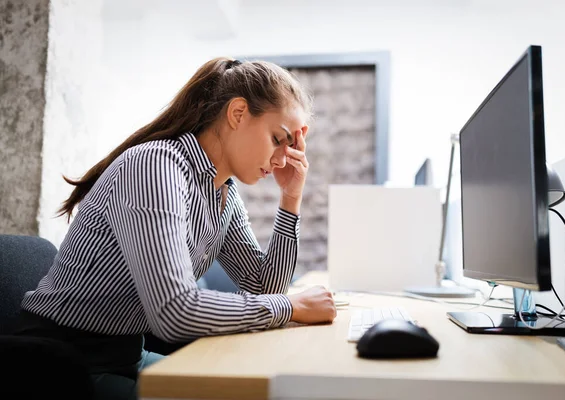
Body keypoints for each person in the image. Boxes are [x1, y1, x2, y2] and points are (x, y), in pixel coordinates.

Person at [13, 57, 337, 399]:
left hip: (125, 355)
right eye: (277, 139)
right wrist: (292, 307)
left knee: (256, 388)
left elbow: (263, 285)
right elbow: (175, 311)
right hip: (59, 366)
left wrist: (290, 197)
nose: (283, 159)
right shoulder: (155, 166)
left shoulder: (221, 190)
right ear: (238, 113)